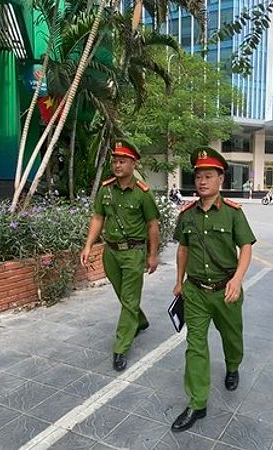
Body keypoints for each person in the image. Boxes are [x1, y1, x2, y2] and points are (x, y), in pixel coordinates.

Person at [171, 147, 256, 432]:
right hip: (195, 291)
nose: (202, 182)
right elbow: (183, 249)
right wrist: (178, 281)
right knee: (195, 346)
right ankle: (197, 403)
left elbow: (246, 247)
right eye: (198, 176)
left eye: (209, 176)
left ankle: (233, 366)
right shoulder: (186, 214)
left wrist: (238, 279)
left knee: (232, 337)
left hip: (226, 290)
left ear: (221, 179)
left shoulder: (233, 213)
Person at [81, 140, 160, 372]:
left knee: (128, 299)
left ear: (133, 164)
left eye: (122, 161)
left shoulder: (143, 193)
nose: (117, 165)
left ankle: (121, 346)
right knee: (124, 295)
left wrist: (152, 255)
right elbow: (98, 217)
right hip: (111, 253)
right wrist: (88, 245)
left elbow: (153, 225)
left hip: (133, 253)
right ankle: (140, 320)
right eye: (115, 161)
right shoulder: (106, 189)